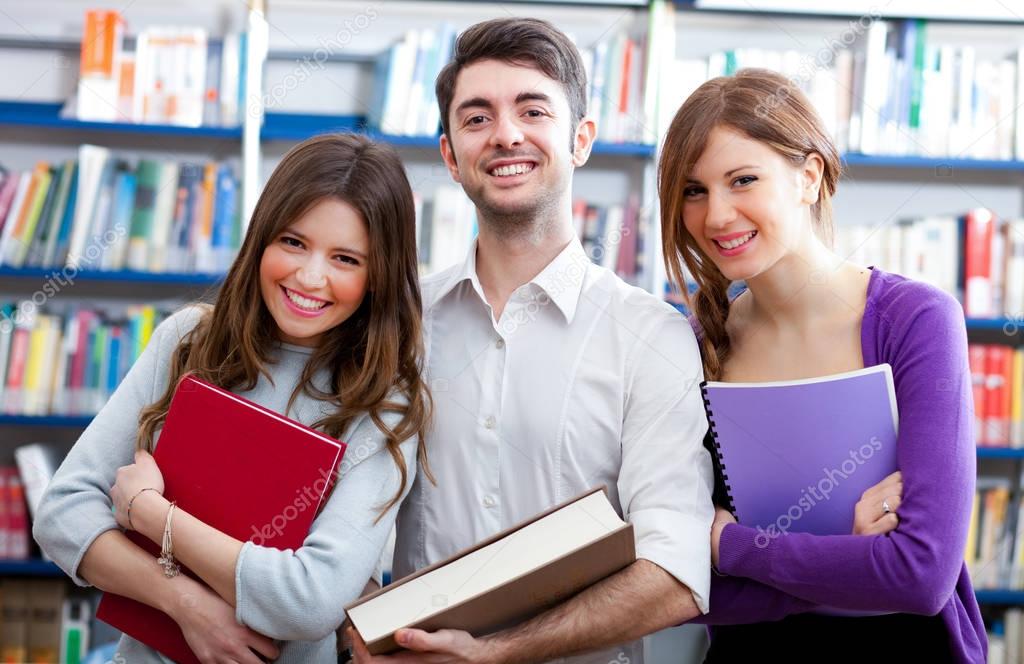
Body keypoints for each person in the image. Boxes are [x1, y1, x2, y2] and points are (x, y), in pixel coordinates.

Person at [348, 17, 715, 664]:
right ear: (450, 156)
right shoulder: (396, 322)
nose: (506, 135)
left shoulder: (649, 338)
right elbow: (340, 521)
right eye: (477, 117)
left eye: (532, 109)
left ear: (580, 140)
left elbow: (678, 573)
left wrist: (499, 653)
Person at [34, 133, 432, 664]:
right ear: (261, 238)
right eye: (293, 242)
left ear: (378, 276)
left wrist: (149, 513)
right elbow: (62, 514)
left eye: (345, 258)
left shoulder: (385, 402)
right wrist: (186, 604)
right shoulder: (188, 341)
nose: (310, 276)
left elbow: (311, 601)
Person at [658, 68, 986, 663]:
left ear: (808, 177)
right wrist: (848, 564)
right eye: (693, 190)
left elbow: (920, 575)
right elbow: (686, 585)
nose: (716, 216)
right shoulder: (694, 345)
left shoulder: (917, 320)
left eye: (743, 180)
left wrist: (733, 547)